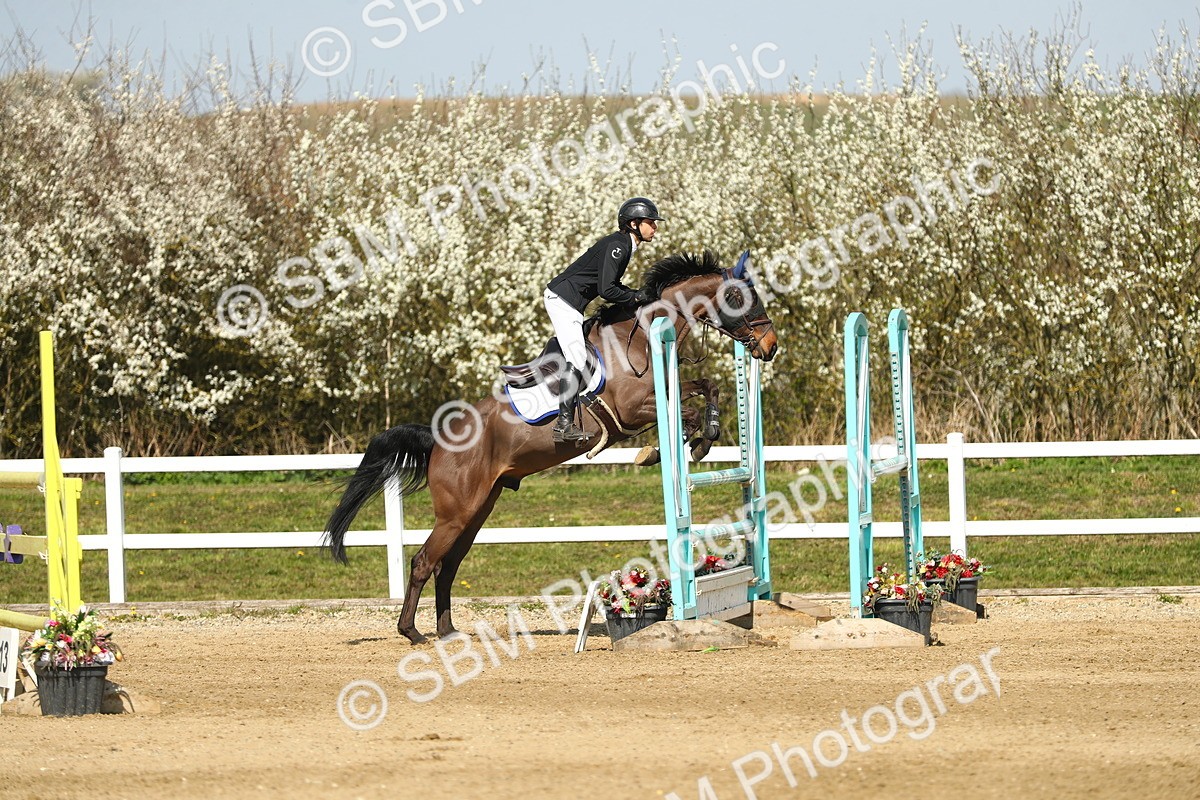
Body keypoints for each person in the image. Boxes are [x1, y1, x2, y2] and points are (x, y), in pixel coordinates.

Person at [544, 197, 664, 442]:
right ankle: (563, 425)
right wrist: (636, 296)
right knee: (577, 357)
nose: (655, 227)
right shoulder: (618, 246)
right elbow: (607, 290)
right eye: (650, 222)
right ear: (634, 224)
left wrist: (635, 295)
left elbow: (612, 285)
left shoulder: (624, 245)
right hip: (562, 300)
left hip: (571, 302)